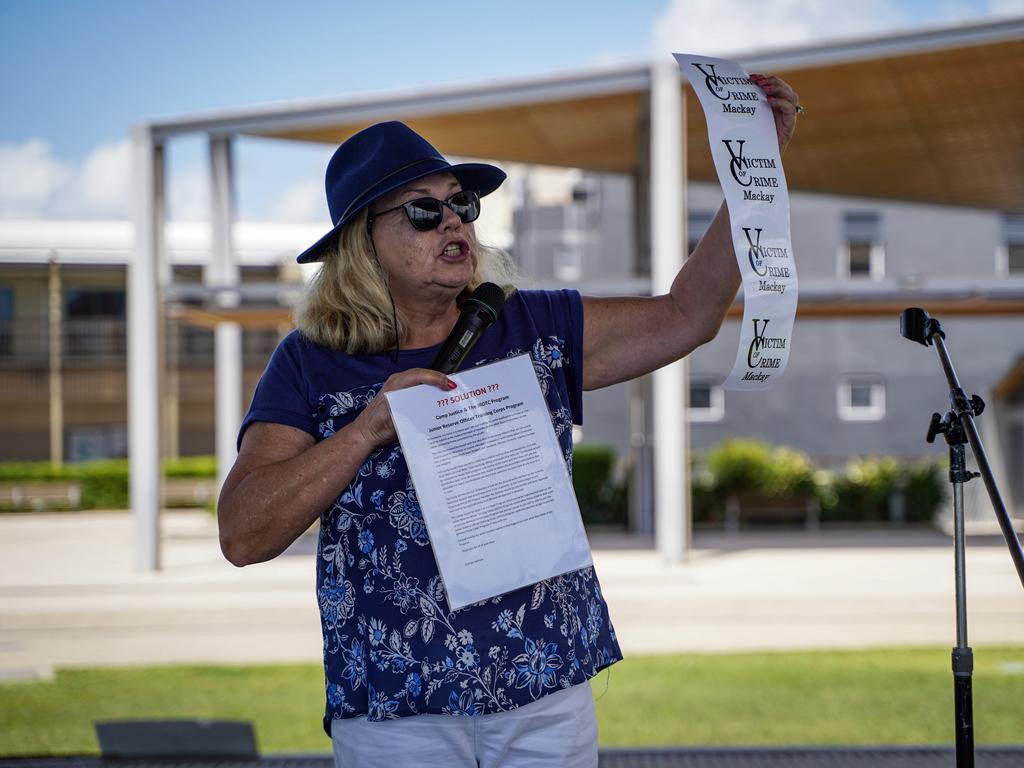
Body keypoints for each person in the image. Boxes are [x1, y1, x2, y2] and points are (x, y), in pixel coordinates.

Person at [218, 74, 801, 768]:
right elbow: (244, 533)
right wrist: (368, 429)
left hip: (543, 693)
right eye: (424, 211)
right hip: (398, 709)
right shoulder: (313, 362)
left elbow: (687, 316)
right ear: (361, 243)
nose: (456, 220)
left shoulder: (533, 322)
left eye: (461, 204)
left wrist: (756, 164)